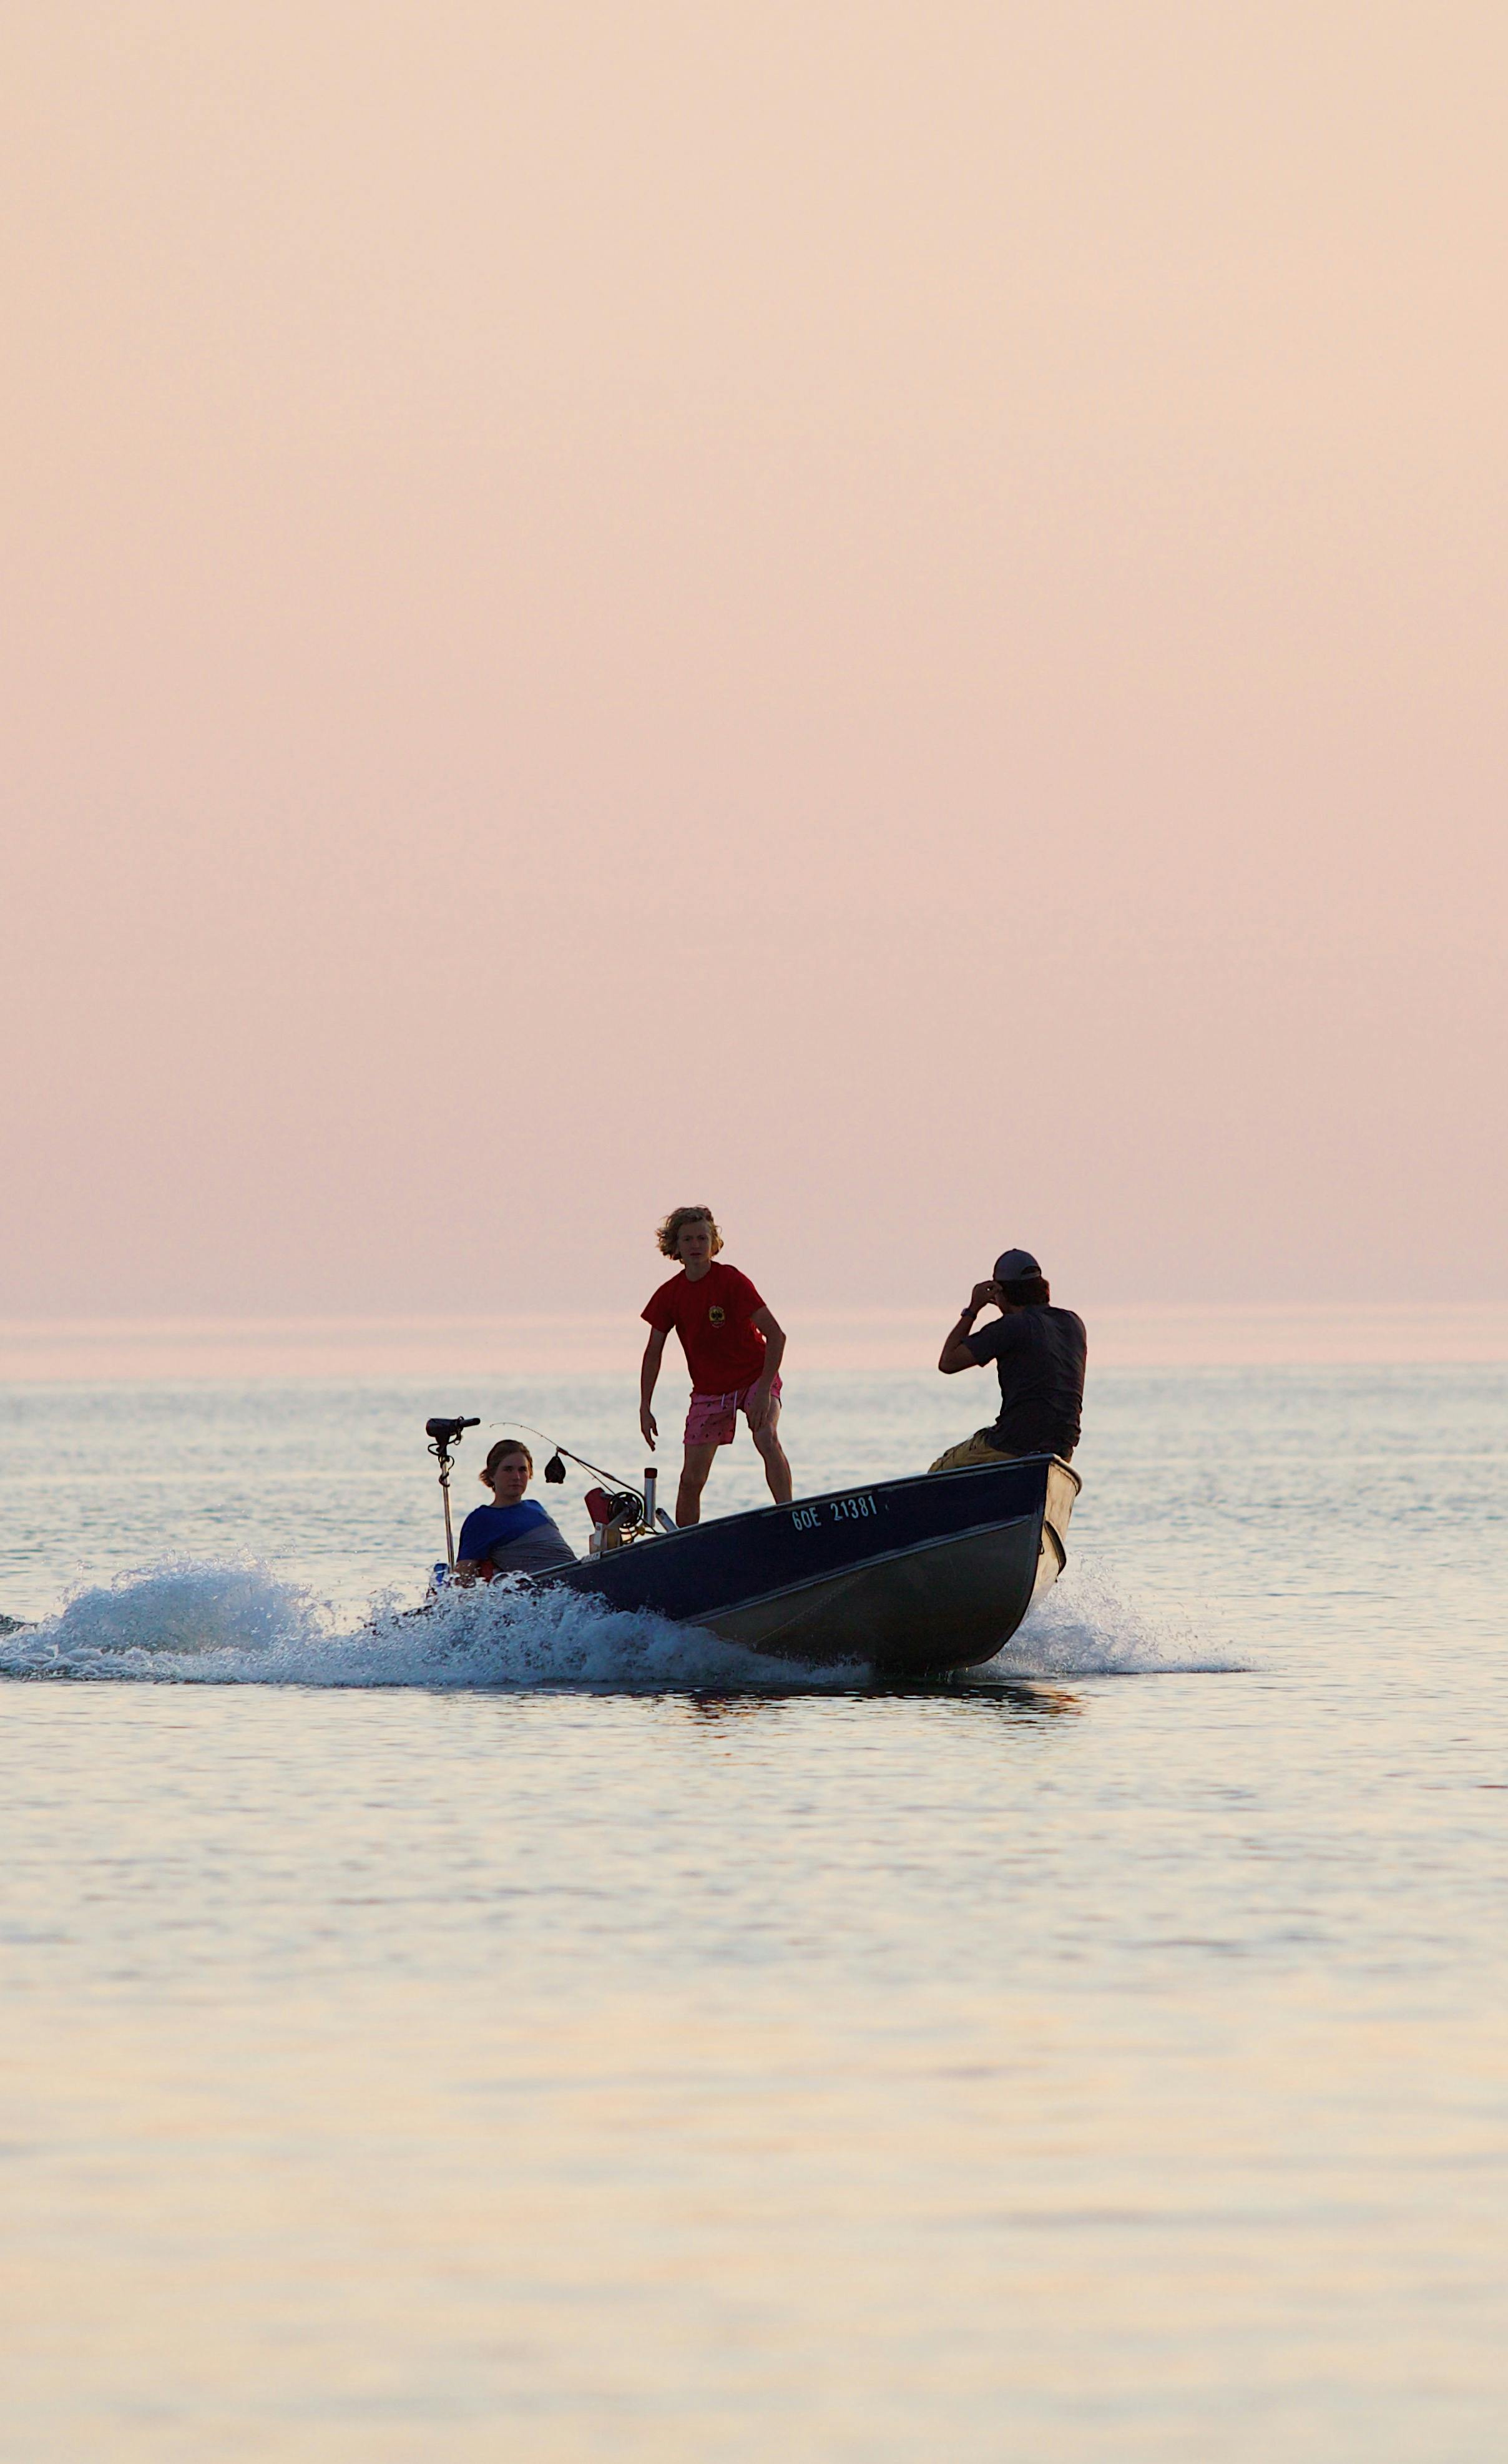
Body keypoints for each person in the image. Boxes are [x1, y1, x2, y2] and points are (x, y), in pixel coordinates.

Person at [639, 1205, 792, 1525]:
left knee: (765, 1436)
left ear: (713, 1242)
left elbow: (776, 1336)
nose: (696, 1245)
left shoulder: (731, 1280)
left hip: (754, 1377)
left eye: (702, 1238)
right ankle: (685, 1544)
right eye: (688, 1239)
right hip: (710, 1391)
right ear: (676, 1247)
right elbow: (654, 1351)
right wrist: (645, 1405)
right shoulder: (670, 1295)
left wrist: (764, 1390)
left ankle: (789, 1514)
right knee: (690, 1478)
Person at [930, 1247, 1086, 1470]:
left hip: (1013, 1443)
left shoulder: (1011, 1327)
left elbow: (948, 1362)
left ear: (1000, 1292)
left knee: (939, 1470)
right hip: (1062, 1447)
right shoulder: (1073, 1323)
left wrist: (973, 1309)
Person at [453, 1440, 576, 1582]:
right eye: (508, 1469)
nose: (516, 1477)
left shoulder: (536, 1506)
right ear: (492, 1475)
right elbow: (462, 1579)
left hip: (576, 1574)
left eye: (522, 1470)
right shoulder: (482, 1519)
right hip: (550, 1587)